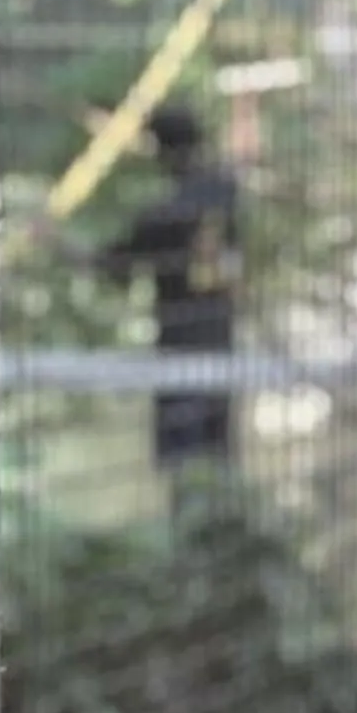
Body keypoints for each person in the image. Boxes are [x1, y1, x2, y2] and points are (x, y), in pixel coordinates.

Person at [100, 102, 242, 473]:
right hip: (220, 342)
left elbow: (113, 264)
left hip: (180, 348)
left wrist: (53, 240)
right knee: (216, 455)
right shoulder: (225, 191)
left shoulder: (163, 215)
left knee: (183, 458)